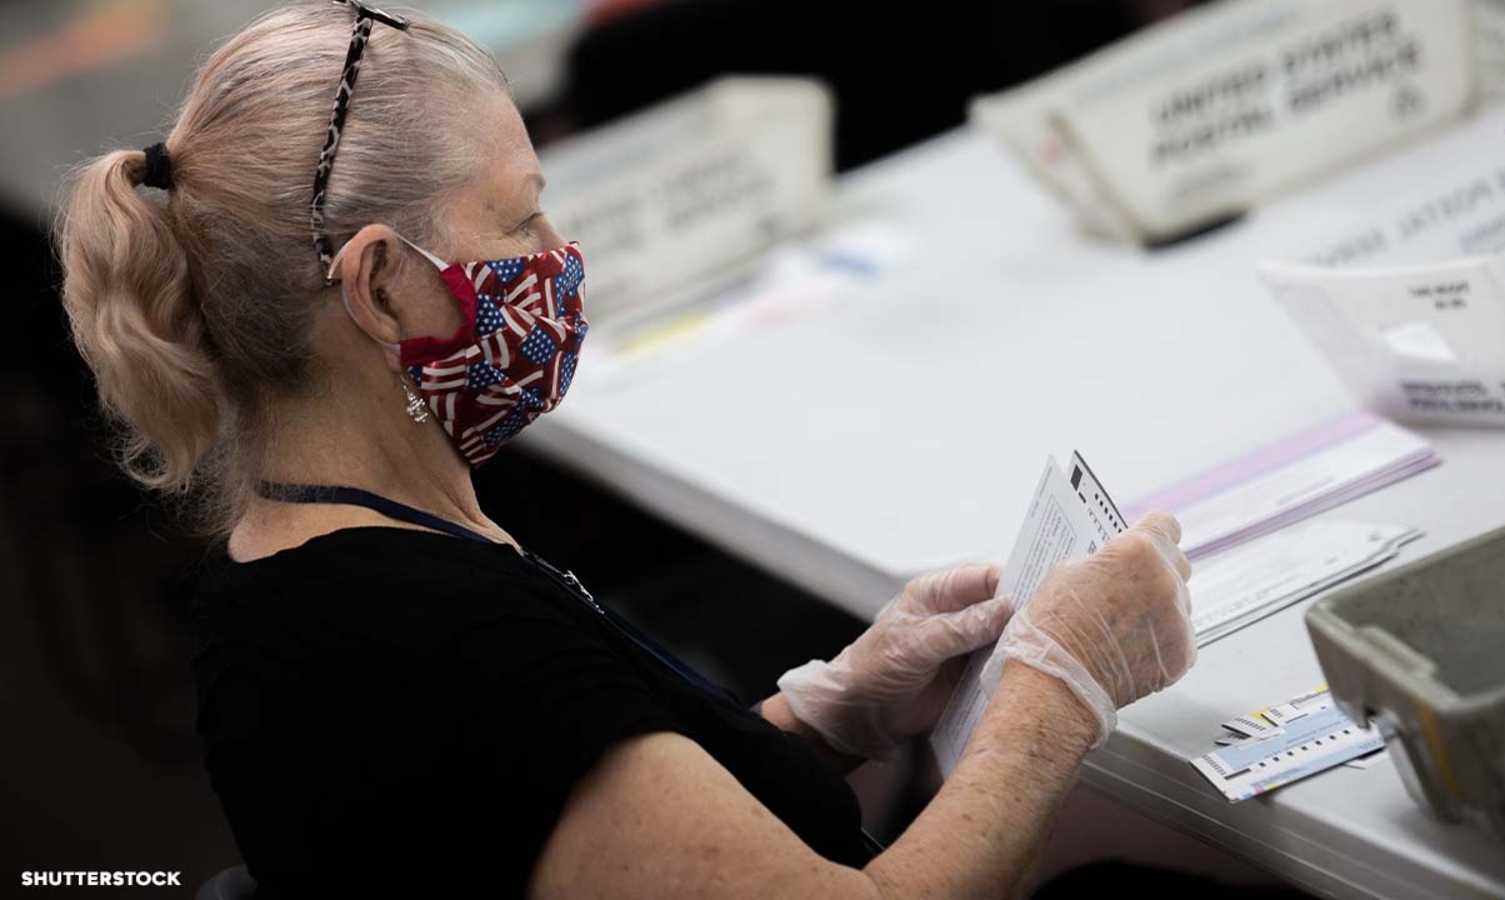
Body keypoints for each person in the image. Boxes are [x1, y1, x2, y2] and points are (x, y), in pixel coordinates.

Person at [55, 2, 1197, 896]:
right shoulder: (428, 633)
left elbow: (570, 803)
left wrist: (836, 709)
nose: (561, 253)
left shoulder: (315, 555)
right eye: (518, 220)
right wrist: (1057, 689)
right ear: (380, 287)